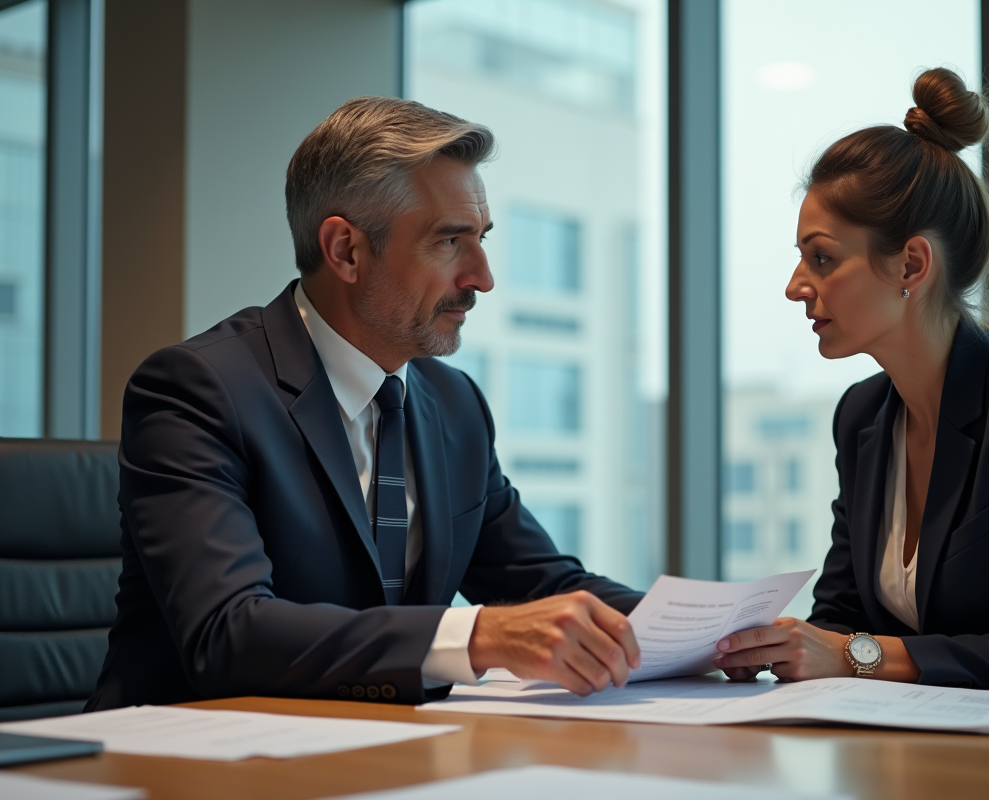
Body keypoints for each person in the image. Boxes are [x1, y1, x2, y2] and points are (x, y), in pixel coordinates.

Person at [87, 97, 643, 711]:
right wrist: (478, 636)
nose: (483, 277)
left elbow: (548, 586)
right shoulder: (197, 389)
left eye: (480, 239)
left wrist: (729, 635)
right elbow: (228, 633)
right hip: (176, 761)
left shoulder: (452, 404)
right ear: (345, 249)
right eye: (450, 241)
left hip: (378, 753)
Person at [713, 68, 989, 698]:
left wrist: (855, 655)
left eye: (820, 257)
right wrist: (781, 649)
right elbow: (841, 620)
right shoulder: (863, 417)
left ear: (911, 264)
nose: (796, 285)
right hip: (932, 749)